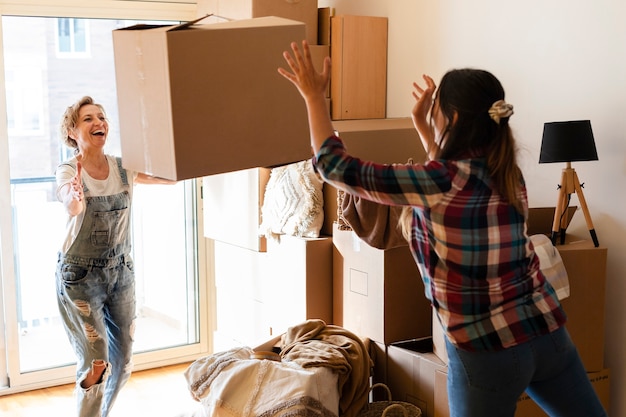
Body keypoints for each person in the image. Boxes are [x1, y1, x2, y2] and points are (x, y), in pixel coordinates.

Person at [278, 41, 607, 417]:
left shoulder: (437, 182)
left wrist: (314, 96)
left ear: (450, 119)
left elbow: (333, 166)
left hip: (486, 351)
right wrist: (426, 129)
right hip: (546, 332)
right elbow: (454, 188)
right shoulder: (507, 172)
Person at [55, 96, 175, 417]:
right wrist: (75, 197)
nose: (99, 123)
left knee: (122, 363)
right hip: (80, 278)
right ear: (72, 131)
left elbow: (170, 177)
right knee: (97, 363)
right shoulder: (69, 170)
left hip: (121, 274)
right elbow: (71, 201)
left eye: (102, 117)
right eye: (88, 119)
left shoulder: (124, 168)